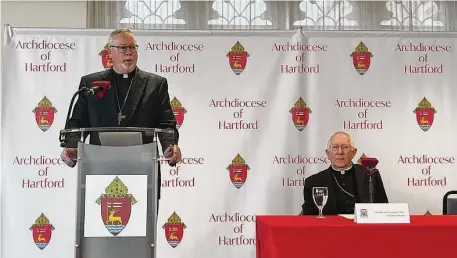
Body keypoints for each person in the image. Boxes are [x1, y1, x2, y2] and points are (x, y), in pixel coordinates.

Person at [60, 28, 182, 197]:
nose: (129, 53)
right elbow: (77, 122)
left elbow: (166, 124)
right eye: (123, 48)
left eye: (133, 47)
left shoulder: (156, 84)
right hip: (99, 165)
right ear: (110, 52)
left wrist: (170, 146)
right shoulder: (90, 83)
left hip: (142, 165)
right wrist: (71, 146)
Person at [300, 131, 388, 215]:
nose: (340, 152)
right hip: (330, 230)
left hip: (363, 229)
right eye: (335, 147)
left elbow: (383, 209)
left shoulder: (370, 174)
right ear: (328, 153)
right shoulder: (313, 182)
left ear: (354, 152)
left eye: (345, 147)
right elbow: (308, 218)